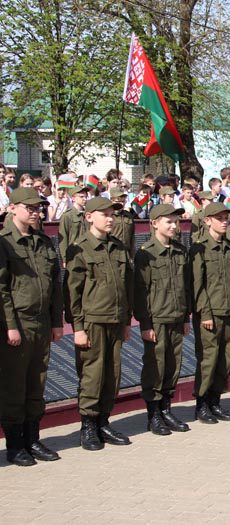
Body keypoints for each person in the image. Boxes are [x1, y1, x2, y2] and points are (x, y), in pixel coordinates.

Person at [0, 188, 64, 466]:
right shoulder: (4, 243)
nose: (36, 212)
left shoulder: (43, 241)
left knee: (37, 383)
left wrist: (56, 321)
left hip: (42, 322)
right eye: (30, 207)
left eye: (38, 208)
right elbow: (2, 289)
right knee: (15, 386)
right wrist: (10, 326)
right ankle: (15, 445)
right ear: (13, 208)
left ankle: (33, 439)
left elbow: (54, 284)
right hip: (19, 324)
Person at [65, 197, 134, 451]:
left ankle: (104, 421)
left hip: (115, 319)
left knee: (112, 374)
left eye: (112, 214)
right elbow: (73, 292)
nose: (110, 218)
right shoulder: (81, 248)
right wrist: (79, 327)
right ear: (89, 217)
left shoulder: (118, 247)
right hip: (93, 320)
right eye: (104, 214)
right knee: (92, 374)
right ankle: (88, 425)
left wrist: (126, 320)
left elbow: (127, 287)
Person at [133, 204, 192, 435]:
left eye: (176, 221)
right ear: (154, 223)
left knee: (173, 366)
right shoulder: (145, 253)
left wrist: (186, 316)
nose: (173, 225)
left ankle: (166, 409)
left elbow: (185, 287)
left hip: (176, 317)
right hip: (156, 319)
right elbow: (140, 292)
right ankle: (153, 414)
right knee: (155, 367)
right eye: (168, 221)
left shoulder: (180, 251)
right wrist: (145, 324)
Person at [190, 202, 230, 424]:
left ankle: (215, 401)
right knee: (208, 360)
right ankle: (202, 403)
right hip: (210, 314)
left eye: (226, 217)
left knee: (225, 360)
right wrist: (206, 313)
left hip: (228, 312)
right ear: (207, 220)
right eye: (219, 218)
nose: (224, 221)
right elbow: (197, 285)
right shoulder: (199, 248)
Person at [58, 186, 89, 263]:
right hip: (74, 254)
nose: (85, 199)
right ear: (73, 198)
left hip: (88, 252)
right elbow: (63, 238)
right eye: (81, 197)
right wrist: (65, 258)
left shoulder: (88, 214)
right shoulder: (67, 216)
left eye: (86, 196)